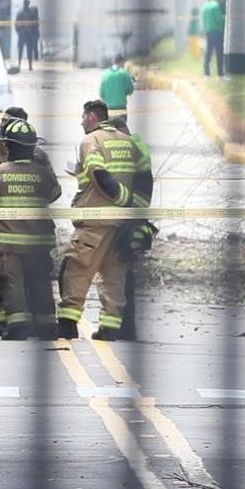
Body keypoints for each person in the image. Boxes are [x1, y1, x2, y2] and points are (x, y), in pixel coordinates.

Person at [56, 100, 136, 341]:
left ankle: (68, 324)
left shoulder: (90, 140)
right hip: (121, 224)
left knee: (76, 270)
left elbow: (98, 173)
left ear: (91, 117)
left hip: (95, 220)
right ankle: (110, 327)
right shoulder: (127, 141)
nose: (81, 122)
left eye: (83, 117)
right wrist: (128, 205)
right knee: (114, 275)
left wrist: (120, 197)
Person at [0, 119, 61, 340]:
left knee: (12, 283)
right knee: (40, 282)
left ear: (8, 146)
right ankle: (46, 326)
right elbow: (54, 194)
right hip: (38, 241)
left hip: (8, 241)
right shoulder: (43, 173)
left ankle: (18, 327)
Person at [105, 115, 156, 340]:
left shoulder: (131, 146)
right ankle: (127, 327)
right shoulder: (139, 146)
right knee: (126, 273)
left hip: (130, 216)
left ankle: (124, 326)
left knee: (123, 273)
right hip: (135, 214)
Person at [201, 0, 225, 77]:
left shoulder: (205, 6)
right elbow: (219, 19)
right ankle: (220, 74)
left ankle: (206, 74)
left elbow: (203, 20)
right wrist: (222, 27)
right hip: (217, 32)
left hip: (208, 31)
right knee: (219, 53)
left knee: (208, 52)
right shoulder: (216, 6)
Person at [15, 0, 40, 71]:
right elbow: (16, 24)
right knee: (20, 50)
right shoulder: (20, 13)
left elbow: (36, 23)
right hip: (22, 34)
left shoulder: (31, 13)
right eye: (25, 3)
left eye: (27, 3)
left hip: (29, 34)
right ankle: (19, 64)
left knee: (29, 51)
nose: (26, 4)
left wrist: (33, 32)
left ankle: (30, 65)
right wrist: (19, 32)